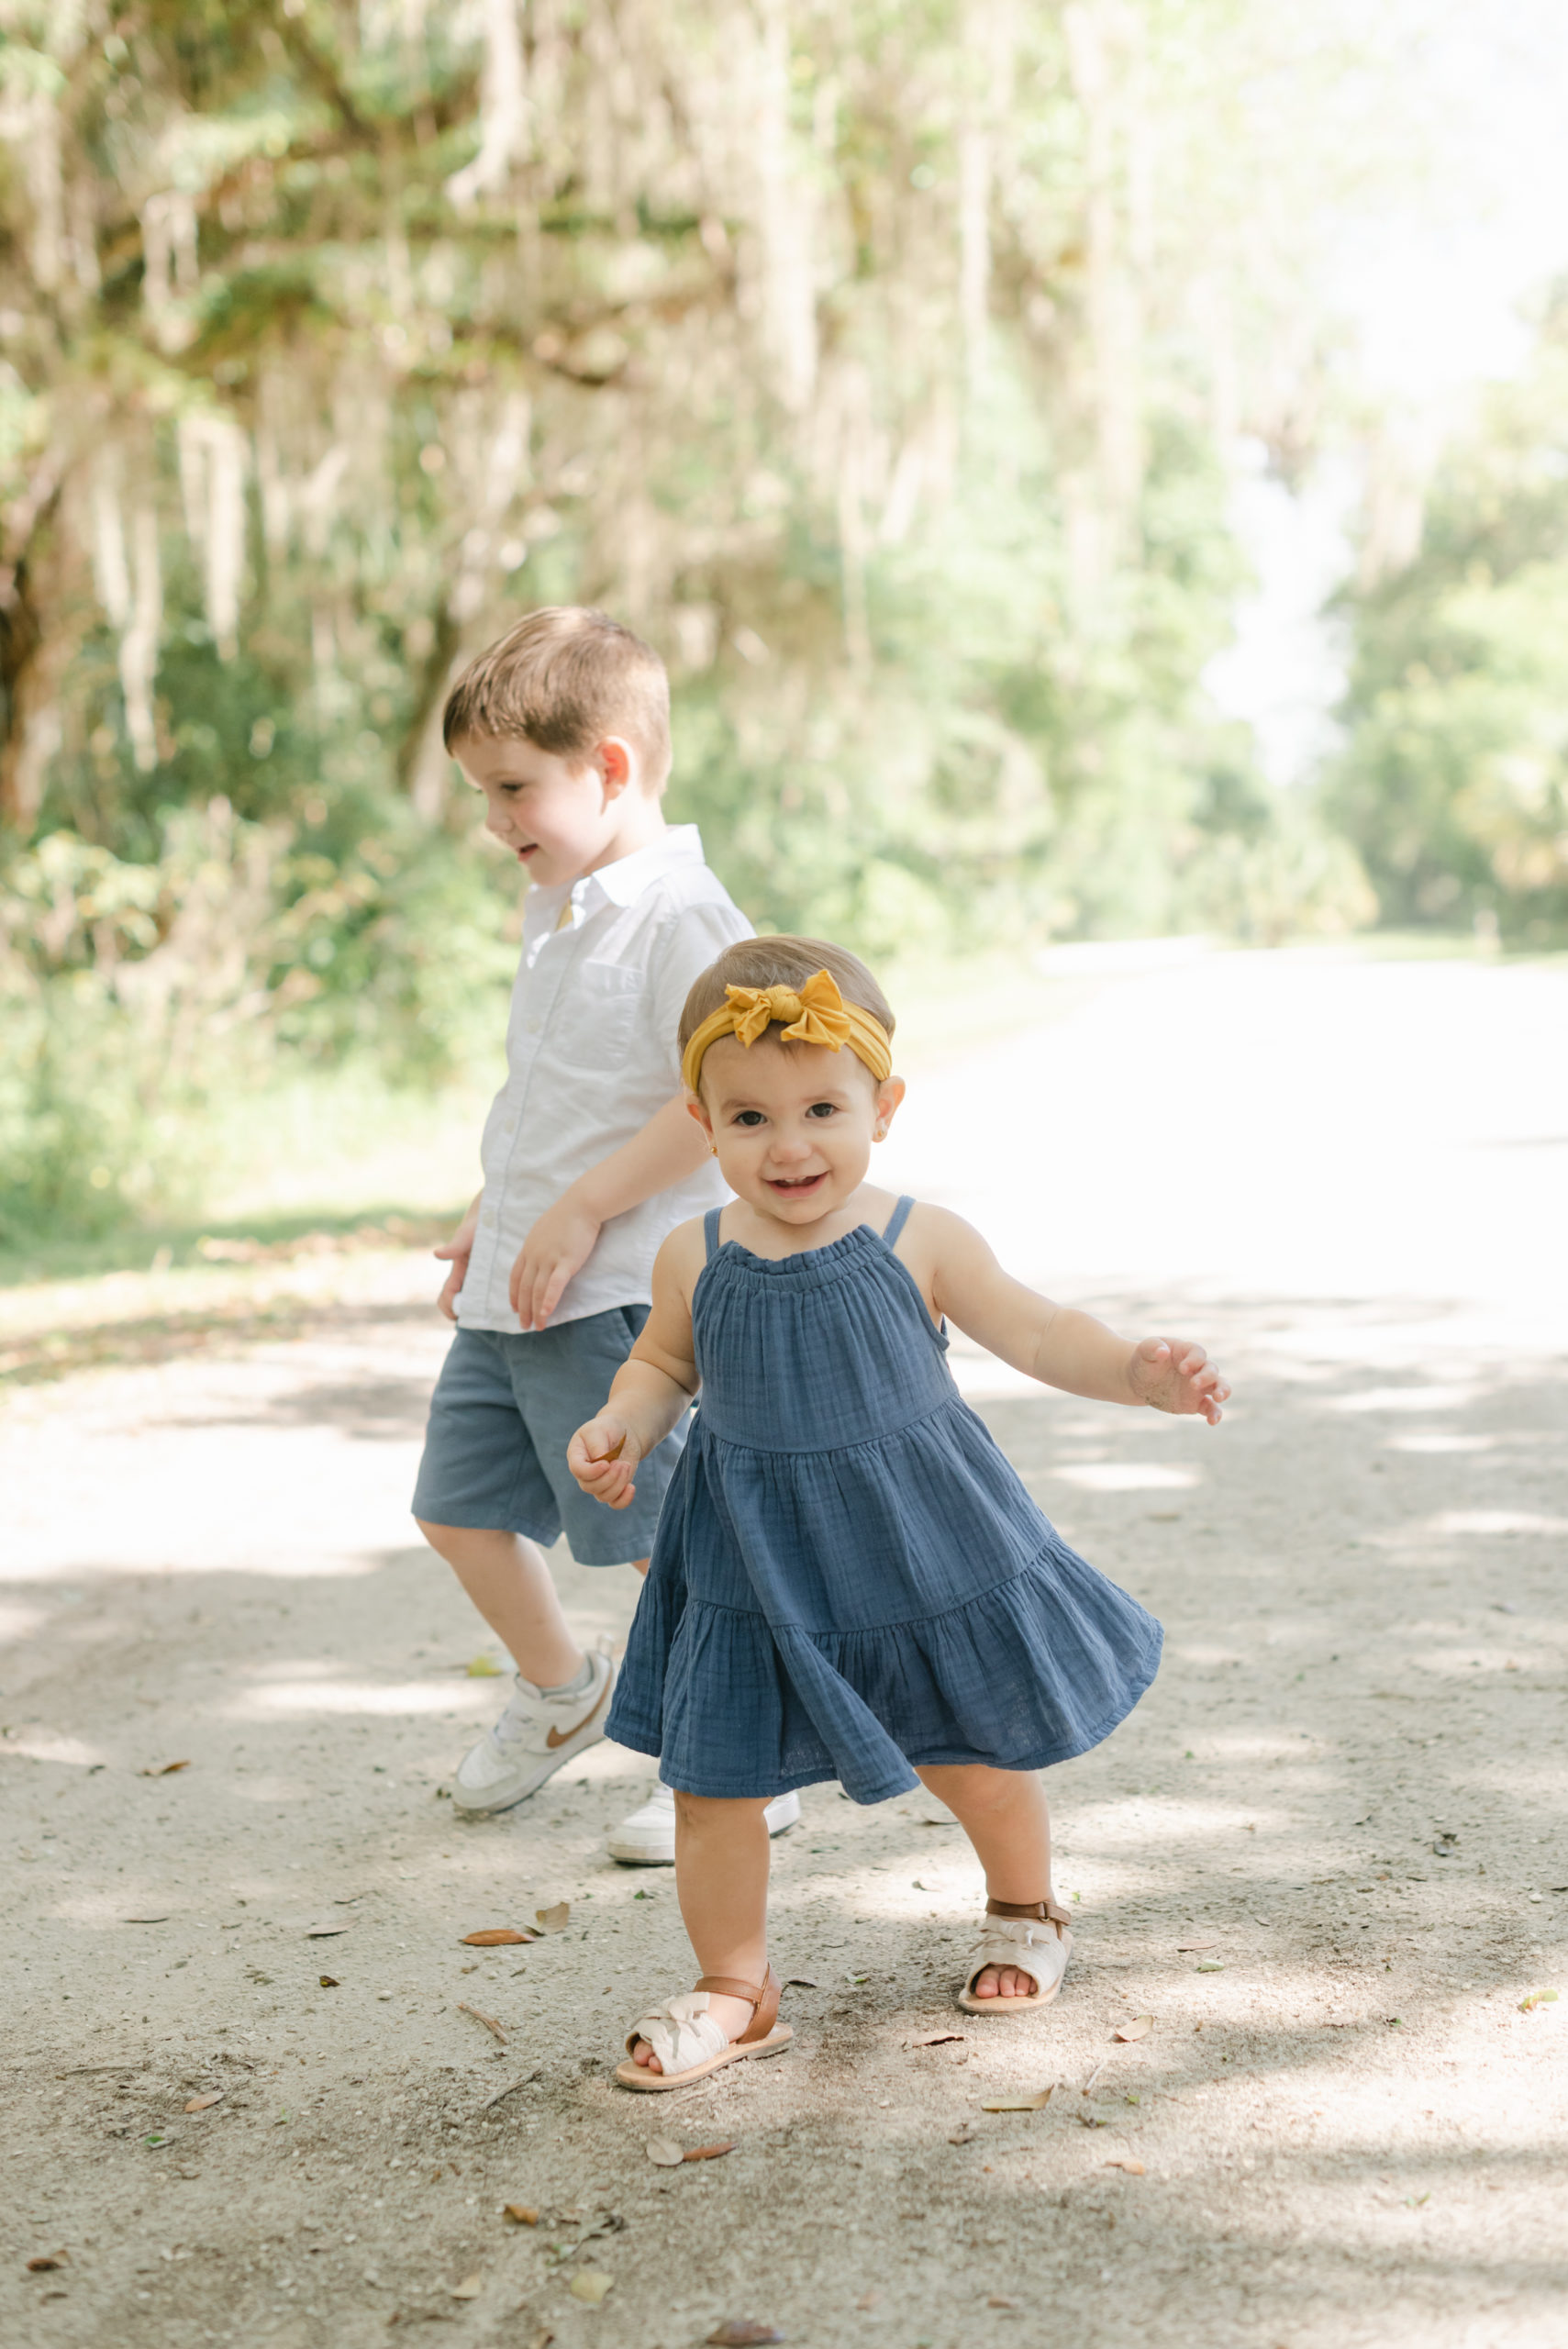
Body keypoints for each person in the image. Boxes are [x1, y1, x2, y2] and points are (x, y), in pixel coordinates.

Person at [566, 936, 1229, 2088]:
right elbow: (661, 1367)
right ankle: (735, 1986)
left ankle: (1025, 1904)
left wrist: (1134, 1369)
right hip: (752, 1560)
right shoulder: (693, 1252)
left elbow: (1033, 1330)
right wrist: (621, 1422)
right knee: (712, 1783)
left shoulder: (915, 1235)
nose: (789, 1145)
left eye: (822, 1107)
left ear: (885, 1102)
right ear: (701, 1120)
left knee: (969, 1746)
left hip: (914, 1542)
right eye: (749, 1118)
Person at [412, 607, 801, 1858]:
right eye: (483, 795)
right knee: (458, 1507)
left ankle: (743, 1749)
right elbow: (556, 1093)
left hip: (623, 1288)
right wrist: (502, 1209)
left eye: (513, 789)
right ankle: (560, 1690)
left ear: (611, 766)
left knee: (657, 1540)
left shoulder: (683, 917)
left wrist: (582, 1206)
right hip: (525, 1285)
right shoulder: (563, 904)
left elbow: (713, 1106)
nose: (495, 822)